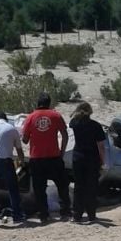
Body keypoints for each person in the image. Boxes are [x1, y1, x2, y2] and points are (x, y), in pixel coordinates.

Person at [22, 92, 70, 223]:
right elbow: (65, 135)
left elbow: (25, 140)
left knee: (39, 189)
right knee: (62, 186)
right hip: (54, 156)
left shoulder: (30, 117)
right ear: (49, 103)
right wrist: (62, 151)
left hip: (37, 158)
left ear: (37, 103)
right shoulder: (56, 115)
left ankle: (44, 215)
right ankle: (65, 212)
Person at [69, 102, 107, 223]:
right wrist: (103, 160)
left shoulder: (74, 123)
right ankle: (91, 214)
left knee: (79, 186)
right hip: (92, 158)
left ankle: (77, 215)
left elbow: (72, 120)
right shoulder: (95, 126)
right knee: (91, 187)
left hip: (78, 157)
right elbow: (101, 146)